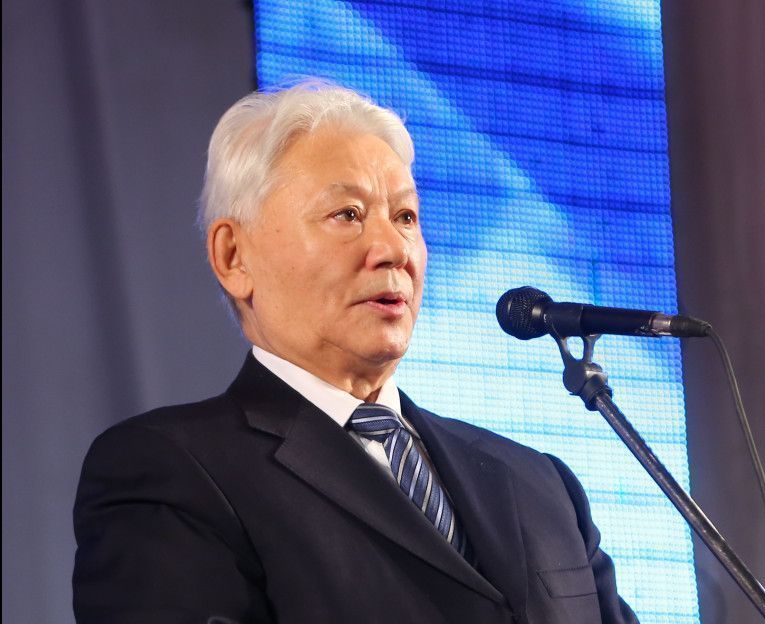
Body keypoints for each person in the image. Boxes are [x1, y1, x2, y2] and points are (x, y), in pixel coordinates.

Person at [73, 80, 638, 624]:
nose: (392, 248)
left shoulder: (540, 483)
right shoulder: (170, 472)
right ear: (234, 256)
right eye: (347, 214)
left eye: (405, 216)